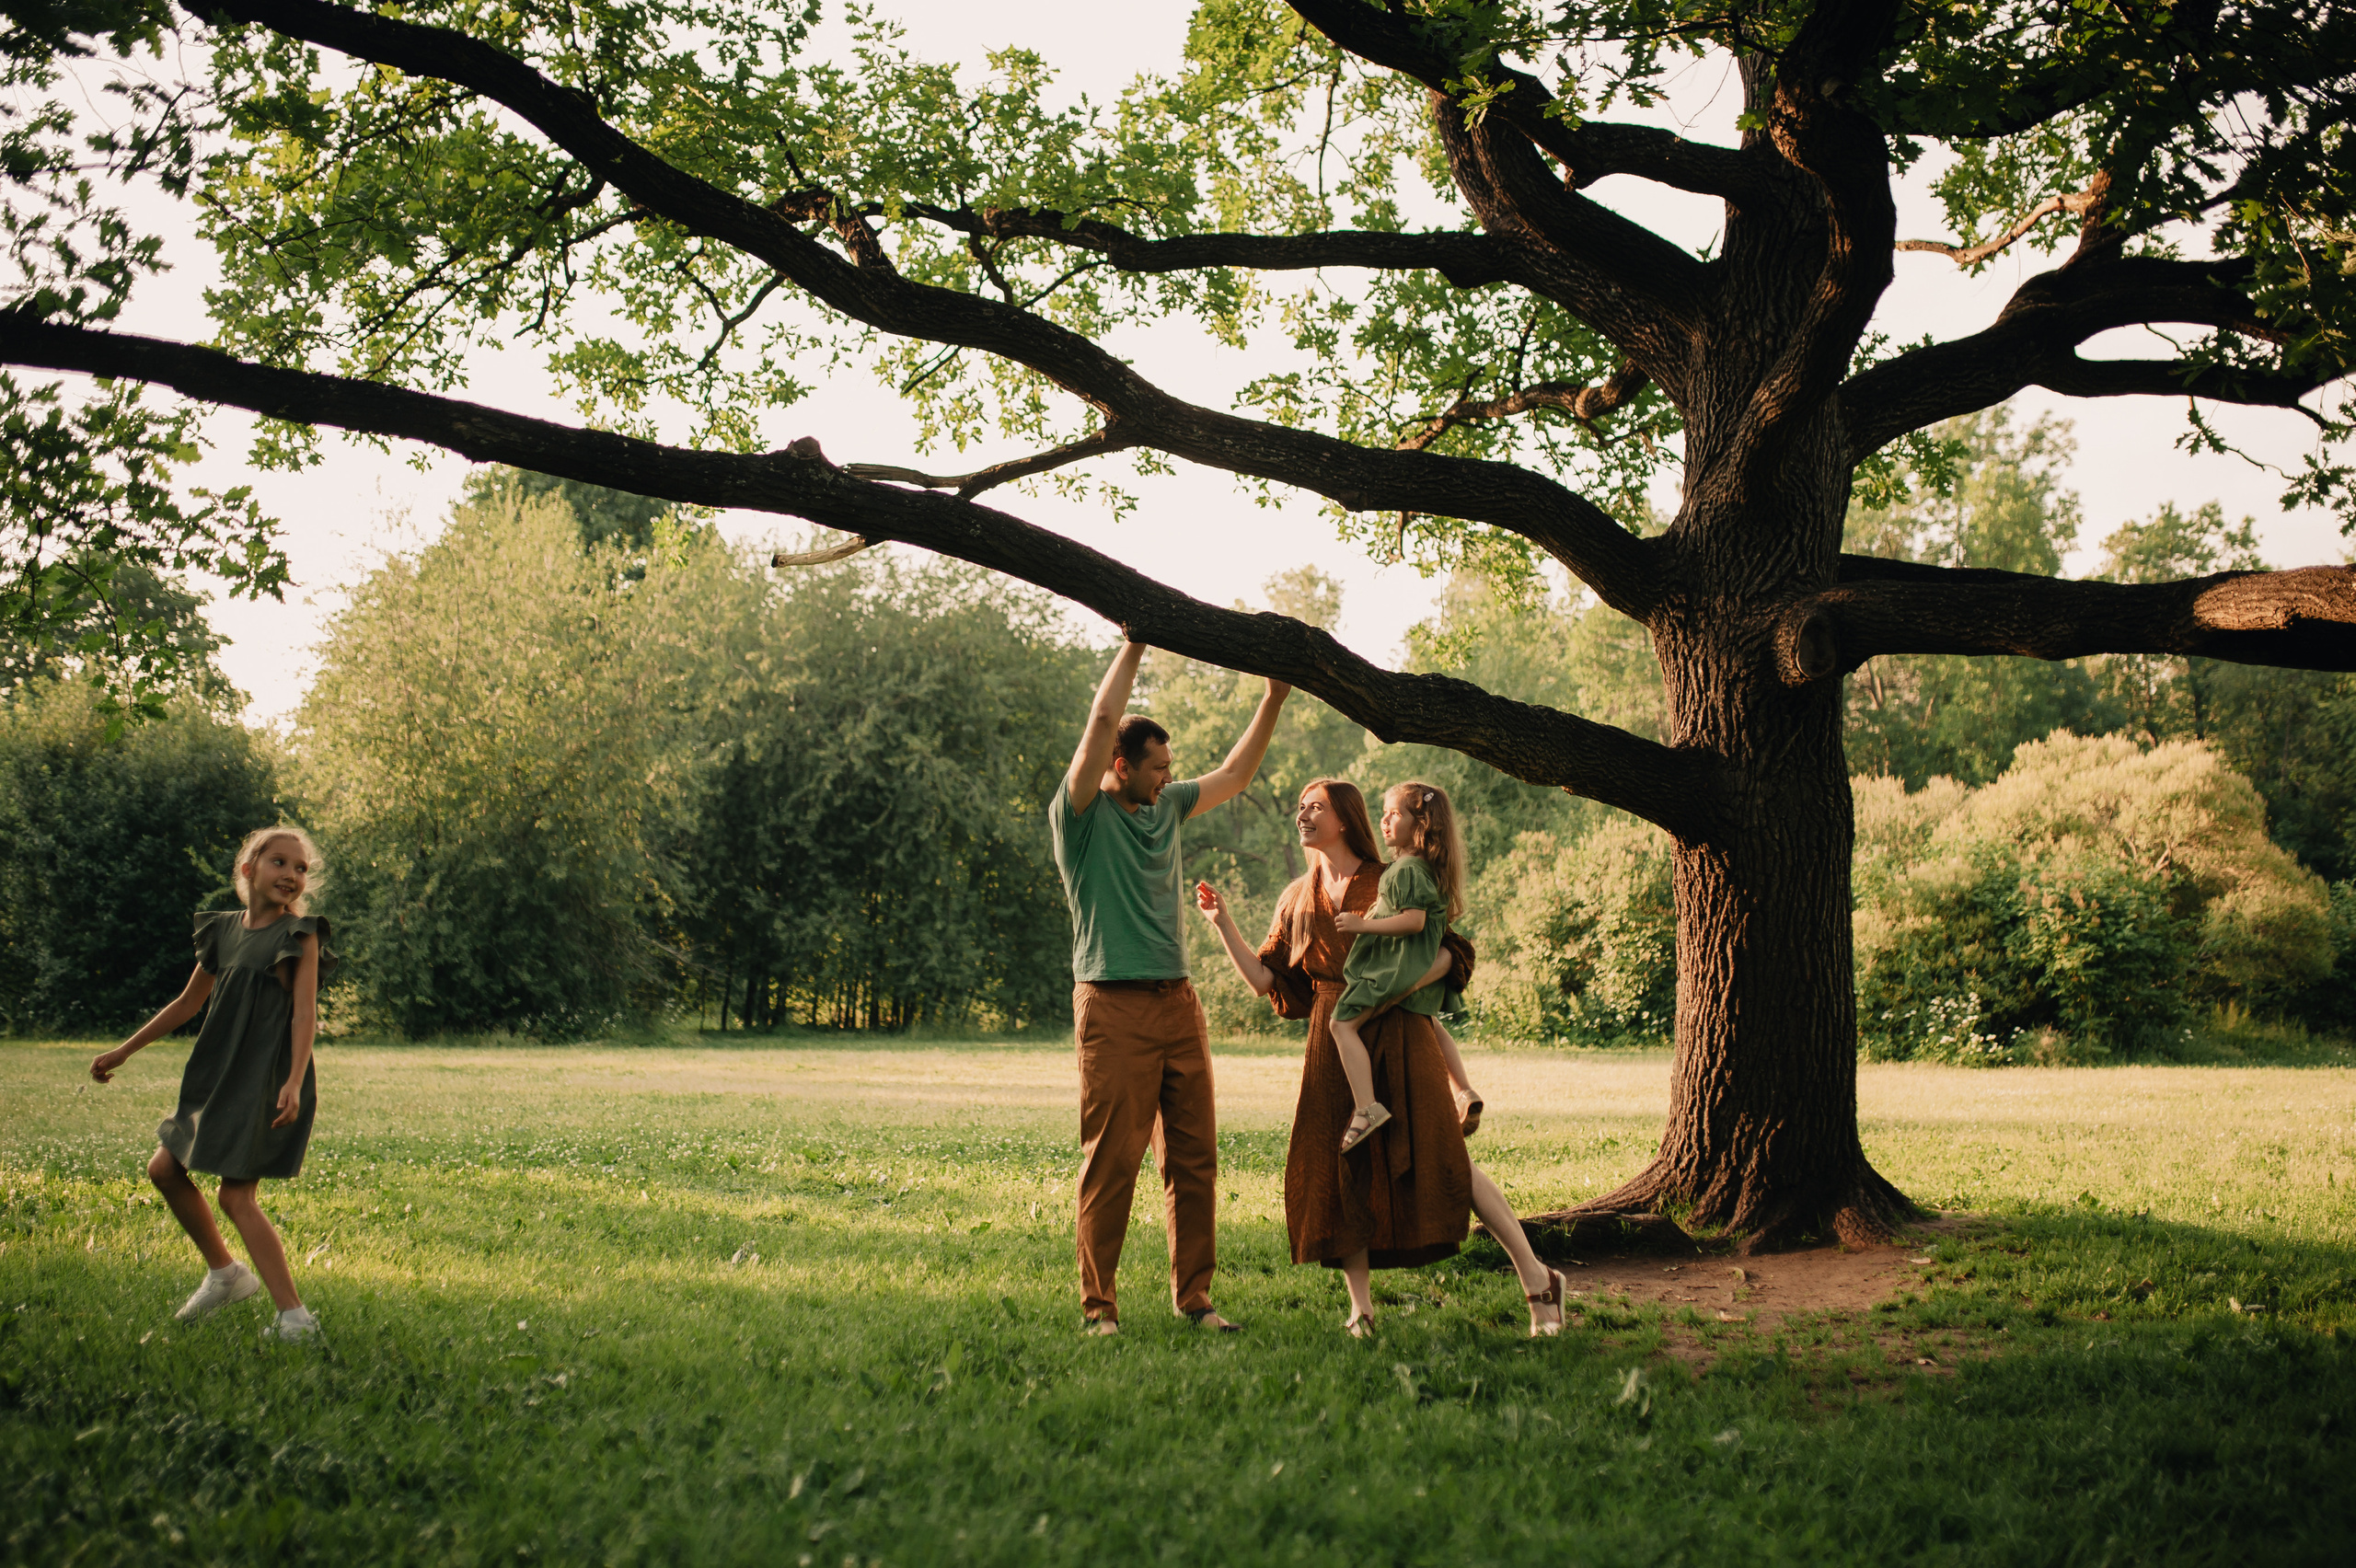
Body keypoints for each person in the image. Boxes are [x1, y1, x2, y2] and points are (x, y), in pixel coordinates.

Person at [1194, 778, 1567, 1338]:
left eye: (1314, 807)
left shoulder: (1389, 878)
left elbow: (1449, 951)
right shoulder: (1296, 896)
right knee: (1345, 1169)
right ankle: (1361, 1310)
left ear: (1345, 818)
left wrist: (1392, 994)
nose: (1302, 815)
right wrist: (1223, 922)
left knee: (1446, 1160)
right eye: (1300, 807)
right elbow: (1265, 981)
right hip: (1335, 1042)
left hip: (1399, 1031)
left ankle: (1539, 1280)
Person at [1050, 640, 1288, 1335]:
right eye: (1157, 768)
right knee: (1112, 1163)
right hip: (1112, 1005)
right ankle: (1100, 1309)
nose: (1168, 779)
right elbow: (1101, 721)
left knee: (1193, 1159)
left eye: (1170, 769)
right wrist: (1136, 641)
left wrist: (1272, 696)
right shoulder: (1080, 816)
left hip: (1179, 1003)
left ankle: (1195, 1300)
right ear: (1119, 765)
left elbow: (1236, 774)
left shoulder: (1169, 807)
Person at [87, 826, 336, 1343]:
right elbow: (187, 1004)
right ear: (248, 869)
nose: (291, 874)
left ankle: (296, 1319)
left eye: (301, 868)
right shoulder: (222, 931)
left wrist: (294, 1081)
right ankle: (225, 1274)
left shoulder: (299, 934)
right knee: (164, 1168)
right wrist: (124, 1051)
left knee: (236, 1196)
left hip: (265, 1078)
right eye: (279, 862)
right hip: (215, 1073)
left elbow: (304, 1013)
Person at [1324, 782, 1467, 1154]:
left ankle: (1367, 1108)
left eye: (1395, 814)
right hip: (1414, 968)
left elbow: (1413, 921)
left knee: (1341, 1025)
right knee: (1428, 1024)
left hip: (1395, 969)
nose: (1384, 821)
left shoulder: (1406, 869)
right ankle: (1464, 1090)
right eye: (1384, 813)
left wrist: (1363, 925)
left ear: (1421, 823)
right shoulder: (1424, 868)